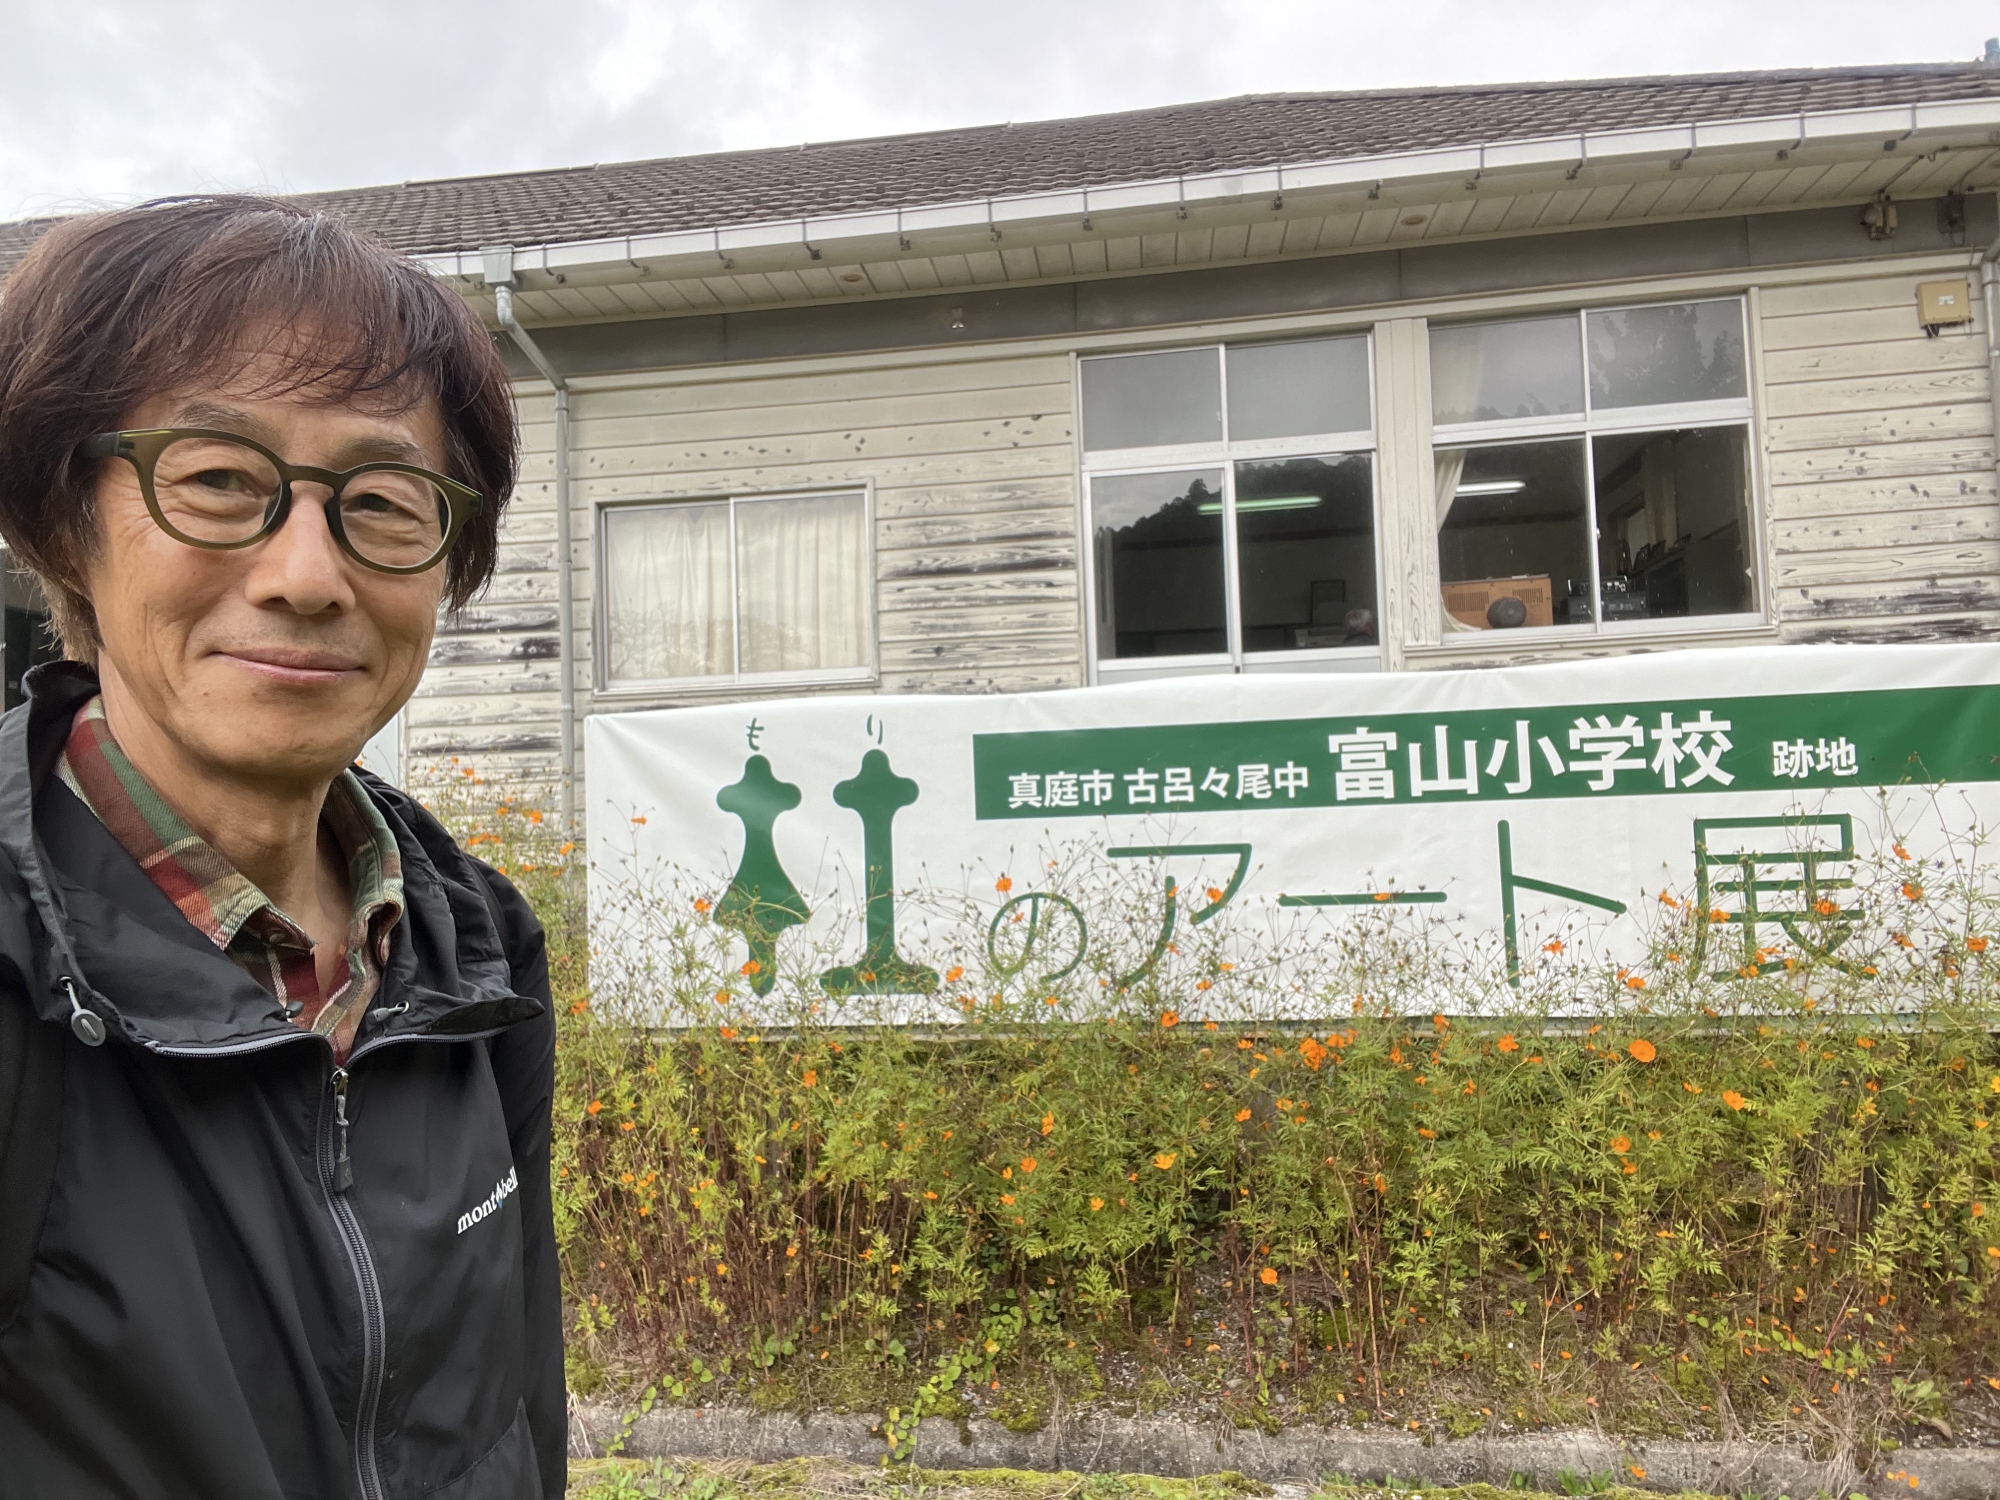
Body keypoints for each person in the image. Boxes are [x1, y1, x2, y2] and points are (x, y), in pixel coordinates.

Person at [0, 197, 565, 1499]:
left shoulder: (474, 946)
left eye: (384, 500)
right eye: (216, 480)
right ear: (67, 525)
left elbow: (518, 1406)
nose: (308, 575)